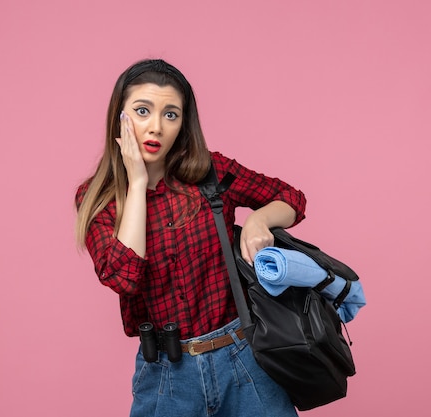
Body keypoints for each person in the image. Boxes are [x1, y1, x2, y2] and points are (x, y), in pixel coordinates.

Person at [75, 59, 306, 417]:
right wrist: (136, 182)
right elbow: (124, 276)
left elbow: (291, 198)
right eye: (142, 111)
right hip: (167, 376)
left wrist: (261, 219)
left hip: (244, 360)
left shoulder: (210, 174)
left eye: (171, 114)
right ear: (119, 118)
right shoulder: (99, 197)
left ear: (184, 124)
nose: (156, 127)